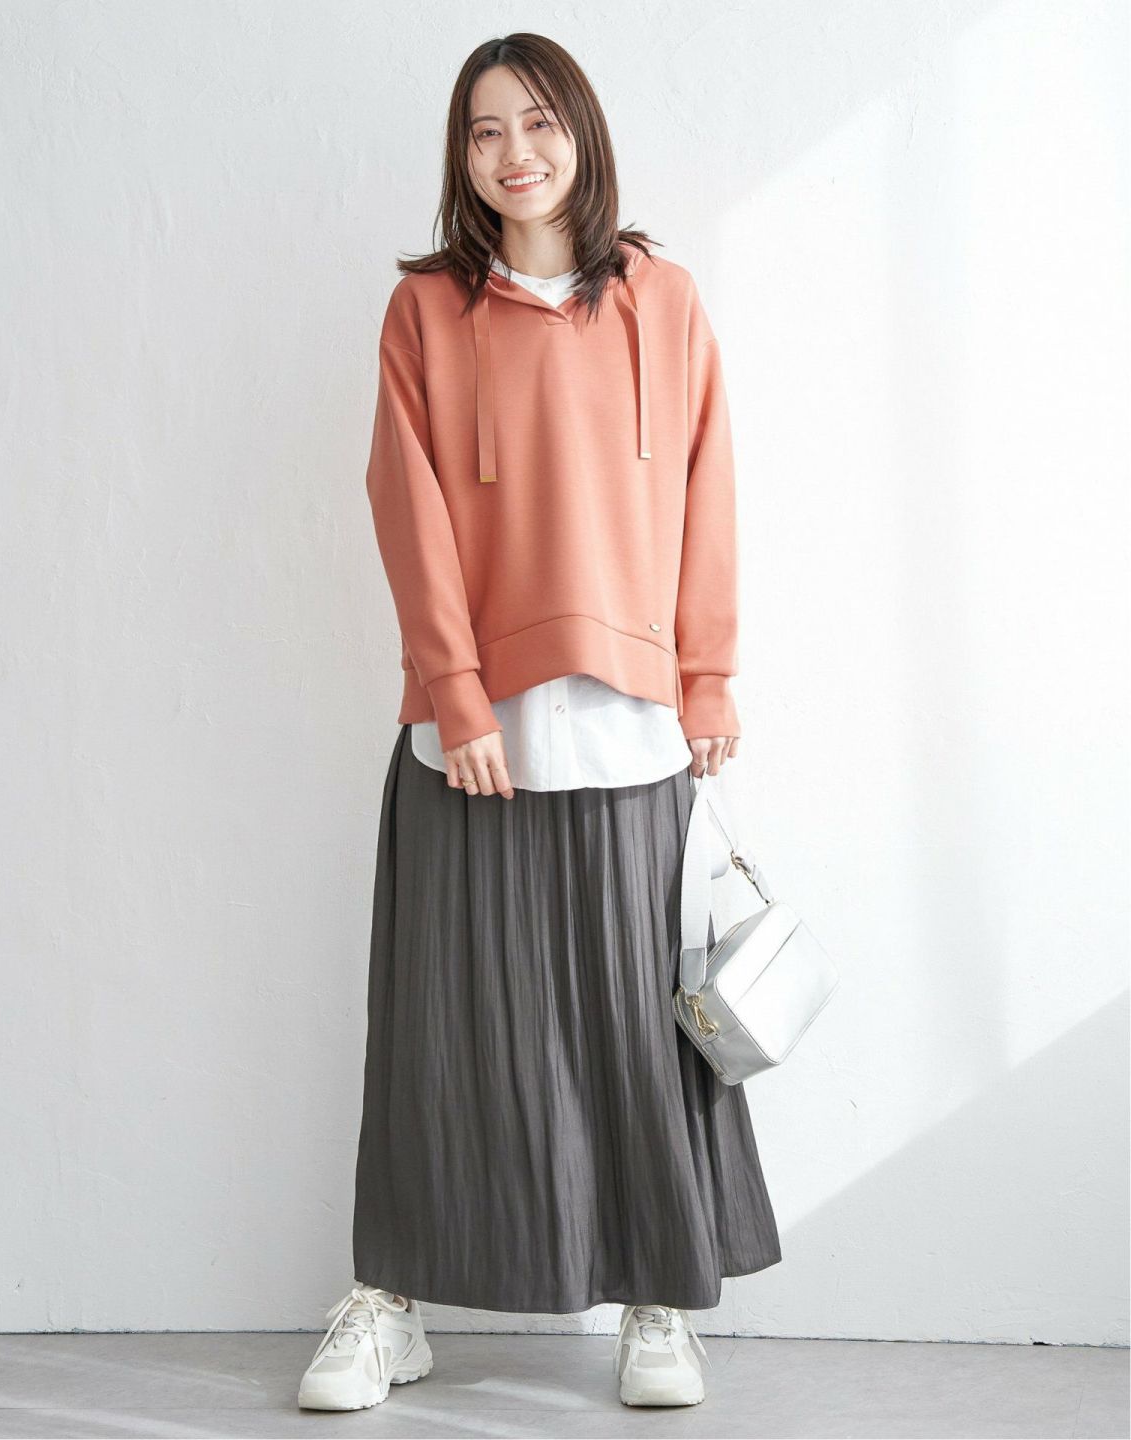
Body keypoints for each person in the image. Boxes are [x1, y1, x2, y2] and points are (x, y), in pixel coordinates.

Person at [298, 31, 782, 1414]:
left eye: (538, 123)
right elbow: (407, 507)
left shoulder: (664, 302)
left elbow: (708, 492)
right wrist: (456, 693)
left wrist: (709, 678)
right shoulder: (424, 314)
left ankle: (657, 1301)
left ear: (583, 131)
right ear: (462, 157)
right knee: (441, 1036)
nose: (514, 153)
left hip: (633, 733)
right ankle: (390, 1305)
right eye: (484, 131)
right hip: (472, 738)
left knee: (643, 1031)